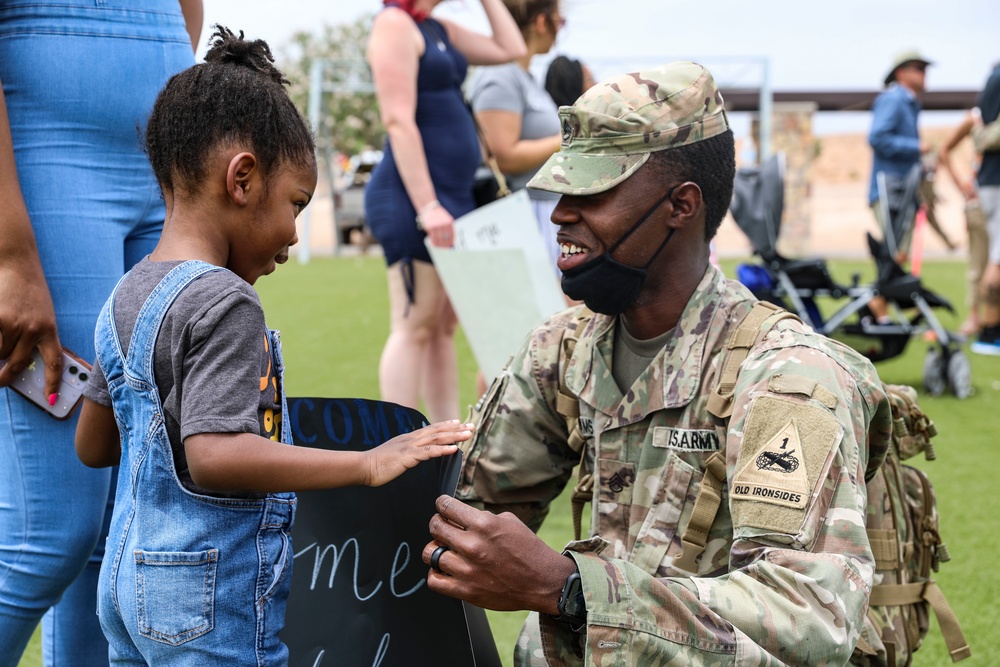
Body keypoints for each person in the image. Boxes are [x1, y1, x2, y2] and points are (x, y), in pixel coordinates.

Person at [421, 62, 895, 665]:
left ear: (681, 205)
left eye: (593, 192)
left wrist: (568, 589)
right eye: (564, 191)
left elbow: (809, 617)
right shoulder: (564, 350)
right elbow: (459, 514)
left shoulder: (788, 378)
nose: (562, 213)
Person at [71, 27, 474, 663]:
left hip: (123, 592)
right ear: (242, 179)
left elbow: (93, 446)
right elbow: (215, 457)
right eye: (296, 203)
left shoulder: (126, 294)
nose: (292, 234)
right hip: (203, 604)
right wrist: (366, 464)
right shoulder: (226, 302)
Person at [0, 2, 201, 664]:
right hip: (45, 145)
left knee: (124, 525)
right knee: (48, 533)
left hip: (162, 158)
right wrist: (9, 256)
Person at [363, 0, 525, 422]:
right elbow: (397, 120)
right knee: (413, 325)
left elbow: (510, 47)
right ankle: (397, 442)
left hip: (454, 197)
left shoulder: (437, 28)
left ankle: (444, 436)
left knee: (442, 328)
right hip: (413, 196)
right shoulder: (394, 24)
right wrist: (428, 205)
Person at [470, 0, 565, 271]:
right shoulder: (499, 75)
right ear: (541, 22)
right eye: (559, 22)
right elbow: (503, 156)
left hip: (542, 210)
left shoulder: (523, 76)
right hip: (525, 213)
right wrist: (568, 139)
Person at [938, 60, 1000, 354]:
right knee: (987, 263)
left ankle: (983, 323)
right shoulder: (980, 118)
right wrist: (962, 183)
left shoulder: (985, 113)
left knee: (988, 262)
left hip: (984, 194)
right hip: (986, 194)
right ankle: (983, 327)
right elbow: (946, 149)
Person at [866, 49, 932, 320]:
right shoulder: (894, 99)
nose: (924, 74)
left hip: (903, 191)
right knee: (893, 252)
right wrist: (917, 147)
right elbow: (877, 137)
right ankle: (877, 305)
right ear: (901, 72)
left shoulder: (910, 102)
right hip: (888, 189)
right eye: (918, 68)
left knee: (896, 253)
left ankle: (881, 306)